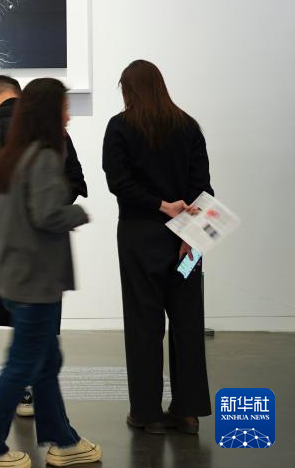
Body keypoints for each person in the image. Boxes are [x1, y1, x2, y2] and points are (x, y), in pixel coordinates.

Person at [0, 78, 101, 468]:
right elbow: (46, 215)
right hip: (36, 278)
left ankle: (63, 439)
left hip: (17, 274)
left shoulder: (14, 155)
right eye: (65, 106)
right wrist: (78, 213)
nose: (69, 115)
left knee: (44, 361)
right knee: (25, 364)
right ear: (49, 110)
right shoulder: (42, 156)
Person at [0, 76, 87, 417]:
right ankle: (30, 393)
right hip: (44, 238)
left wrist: (5, 209)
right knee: (38, 308)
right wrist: (58, 211)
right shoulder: (51, 131)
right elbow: (75, 179)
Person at [102, 59, 212, 435]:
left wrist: (161, 205)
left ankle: (147, 413)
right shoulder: (189, 126)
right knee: (188, 322)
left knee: (144, 324)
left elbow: (119, 183)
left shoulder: (120, 126)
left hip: (139, 238)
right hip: (187, 244)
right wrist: (190, 235)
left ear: (128, 89)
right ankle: (188, 412)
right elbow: (203, 187)